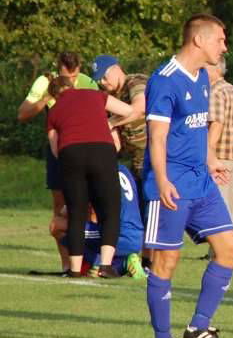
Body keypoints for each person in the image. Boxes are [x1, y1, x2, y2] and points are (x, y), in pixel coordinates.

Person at [142, 13, 233, 338]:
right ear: (199, 39)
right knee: (165, 262)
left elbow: (195, 128)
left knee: (230, 249)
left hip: (201, 182)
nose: (224, 47)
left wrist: (210, 159)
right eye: (220, 40)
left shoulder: (202, 77)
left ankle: (198, 327)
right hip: (171, 184)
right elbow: (157, 137)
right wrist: (162, 180)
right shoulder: (165, 80)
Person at [46, 74, 134, 278]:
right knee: (110, 210)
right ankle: (105, 266)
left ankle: (75, 269)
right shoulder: (94, 94)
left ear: (54, 95)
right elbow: (129, 110)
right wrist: (109, 123)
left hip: (71, 153)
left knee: (76, 211)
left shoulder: (54, 110)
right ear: (73, 85)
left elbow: (55, 148)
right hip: (101, 150)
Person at [19, 52, 99, 274]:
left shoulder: (88, 83)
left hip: (86, 149)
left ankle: (91, 262)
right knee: (61, 207)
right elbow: (23, 114)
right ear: (58, 70)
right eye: (66, 77)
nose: (71, 82)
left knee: (91, 207)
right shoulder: (45, 82)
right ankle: (67, 264)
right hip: (59, 149)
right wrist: (47, 98)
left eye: (74, 76)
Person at [54, 164, 148, 279]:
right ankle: (124, 263)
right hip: (137, 237)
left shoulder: (98, 171)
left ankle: (85, 266)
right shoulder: (123, 170)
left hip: (119, 235)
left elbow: (77, 210)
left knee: (57, 226)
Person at [206, 54, 233, 259]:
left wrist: (209, 152)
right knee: (227, 205)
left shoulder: (215, 91)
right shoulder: (232, 90)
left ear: (215, 68)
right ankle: (216, 252)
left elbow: (216, 123)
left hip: (219, 156)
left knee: (220, 208)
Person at [90, 55, 149, 179]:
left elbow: (140, 108)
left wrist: (110, 122)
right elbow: (115, 139)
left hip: (154, 153)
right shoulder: (110, 96)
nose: (102, 83)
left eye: (104, 77)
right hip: (135, 159)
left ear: (116, 68)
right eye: (99, 80)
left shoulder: (136, 82)